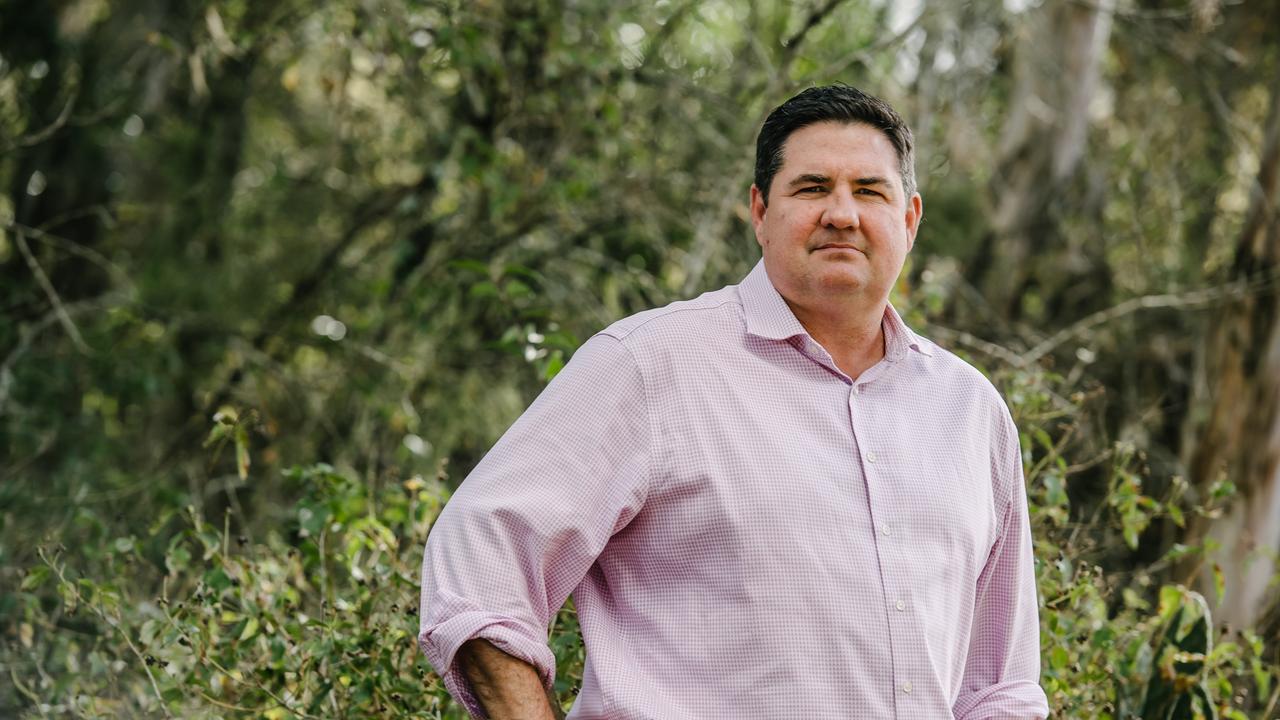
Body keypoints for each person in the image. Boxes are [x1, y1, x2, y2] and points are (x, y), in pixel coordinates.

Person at [418, 84, 1050, 720]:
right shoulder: (649, 365)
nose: (841, 213)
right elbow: (480, 558)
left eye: (868, 190)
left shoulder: (970, 414)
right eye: (811, 188)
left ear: (909, 219)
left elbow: (1002, 688)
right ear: (759, 211)